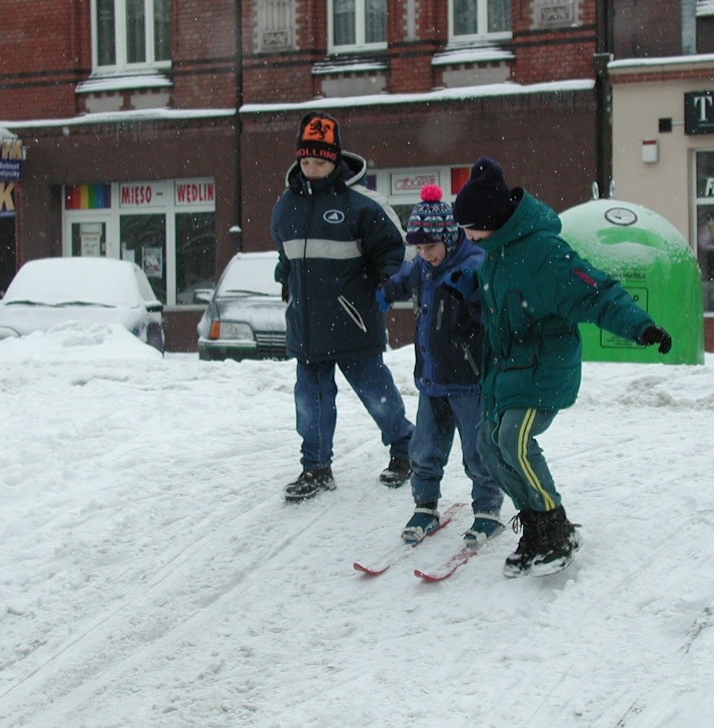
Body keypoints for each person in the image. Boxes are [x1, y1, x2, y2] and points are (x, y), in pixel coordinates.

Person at [452, 156, 673, 577]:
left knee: (514, 440)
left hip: (543, 370)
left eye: (470, 228)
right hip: (506, 373)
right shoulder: (493, 254)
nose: (468, 237)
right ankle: (535, 526)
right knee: (488, 446)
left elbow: (600, 294)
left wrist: (643, 328)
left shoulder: (544, 253)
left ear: (493, 219)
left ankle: (557, 527)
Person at [271, 112, 414, 502]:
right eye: (305, 162)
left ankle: (405, 449)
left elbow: (394, 249)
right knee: (310, 402)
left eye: (319, 161)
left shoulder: (361, 204)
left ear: (335, 159)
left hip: (353, 321)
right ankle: (315, 467)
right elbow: (288, 256)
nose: (311, 169)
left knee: (375, 393)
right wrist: (283, 276)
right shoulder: (286, 207)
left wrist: (389, 281)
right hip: (307, 328)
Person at [377, 185, 506, 546]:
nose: (425, 254)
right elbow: (405, 279)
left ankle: (488, 509)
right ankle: (425, 505)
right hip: (432, 379)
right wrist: (386, 292)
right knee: (424, 448)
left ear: (449, 238)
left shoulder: (475, 265)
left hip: (469, 380)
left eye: (430, 247)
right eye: (419, 248)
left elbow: (491, 312)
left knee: (477, 449)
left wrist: (473, 292)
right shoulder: (422, 266)